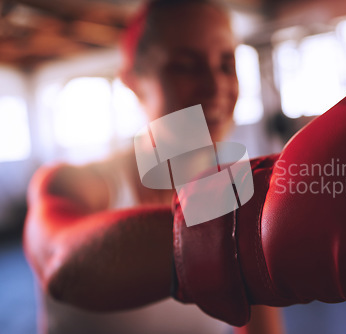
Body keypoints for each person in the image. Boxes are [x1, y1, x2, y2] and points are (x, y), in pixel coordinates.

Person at [24, 0, 284, 333]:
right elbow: (62, 265)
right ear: (134, 82)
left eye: (225, 63)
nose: (215, 85)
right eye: (185, 66)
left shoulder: (230, 197)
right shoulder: (76, 183)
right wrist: (242, 233)